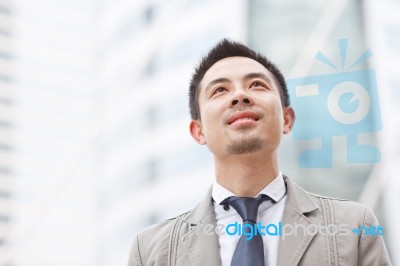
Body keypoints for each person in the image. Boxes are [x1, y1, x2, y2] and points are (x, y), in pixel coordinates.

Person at [128, 39, 391, 266]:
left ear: (287, 120)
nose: (240, 95)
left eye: (256, 85)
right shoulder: (151, 250)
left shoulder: (355, 226)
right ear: (198, 131)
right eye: (220, 90)